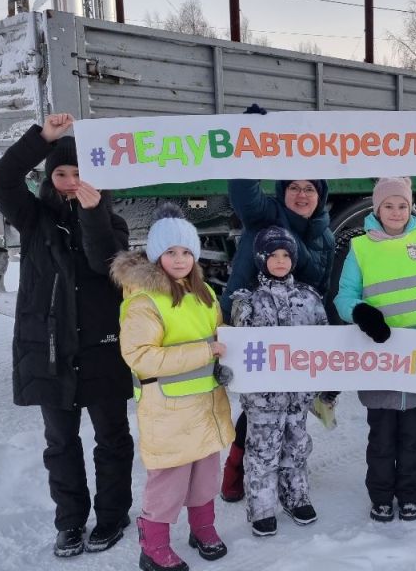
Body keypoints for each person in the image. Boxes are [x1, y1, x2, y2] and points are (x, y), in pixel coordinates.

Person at [0, 113, 134, 558]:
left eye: (80, 174)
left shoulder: (115, 223)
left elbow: (103, 263)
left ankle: (112, 516)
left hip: (102, 350)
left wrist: (93, 215)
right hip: (49, 351)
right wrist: (42, 137)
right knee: (60, 441)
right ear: (50, 178)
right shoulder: (33, 220)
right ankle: (70, 521)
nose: (71, 181)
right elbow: (2, 180)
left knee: (112, 437)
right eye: (62, 173)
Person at [220, 104, 336, 502]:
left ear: (320, 195)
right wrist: (248, 137)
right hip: (255, 327)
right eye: (294, 187)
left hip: (298, 336)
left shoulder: (326, 237)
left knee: (292, 412)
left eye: (310, 188)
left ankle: (288, 478)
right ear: (283, 192)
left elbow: (325, 293)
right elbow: (242, 190)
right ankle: (237, 472)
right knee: (258, 407)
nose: (302, 195)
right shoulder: (265, 215)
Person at [112, 204, 236, 570]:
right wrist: (204, 352)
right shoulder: (143, 302)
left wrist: (226, 363)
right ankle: (153, 544)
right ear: (155, 255)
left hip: (205, 406)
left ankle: (203, 528)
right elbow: (141, 357)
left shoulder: (204, 295)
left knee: (205, 475)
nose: (180, 259)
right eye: (170, 252)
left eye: (186, 251)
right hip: (167, 410)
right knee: (169, 482)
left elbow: (219, 338)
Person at [334, 176, 416, 523]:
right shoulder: (360, 248)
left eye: (402, 205)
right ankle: (380, 497)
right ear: (377, 209)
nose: (395, 211)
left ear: (411, 208)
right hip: (379, 358)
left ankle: (408, 495)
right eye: (388, 205)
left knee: (411, 440)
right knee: (381, 440)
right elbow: (345, 296)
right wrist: (361, 313)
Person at [229, 226, 334, 538]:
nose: (279, 260)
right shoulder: (249, 302)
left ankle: (295, 495)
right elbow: (238, 350)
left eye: (285, 255)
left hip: (298, 396)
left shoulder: (310, 299)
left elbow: (326, 345)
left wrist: (330, 381)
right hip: (263, 400)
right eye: (272, 255)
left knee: (296, 446)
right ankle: (262, 508)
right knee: (262, 451)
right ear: (261, 259)